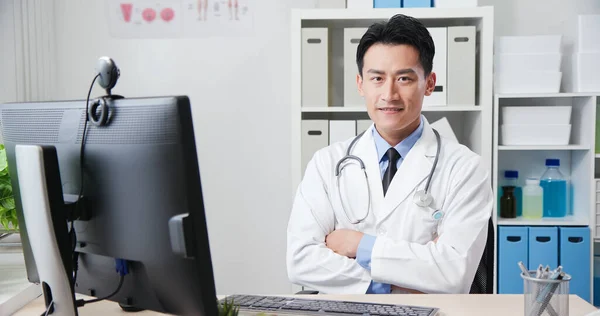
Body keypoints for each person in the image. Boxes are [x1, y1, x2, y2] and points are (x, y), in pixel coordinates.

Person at [286, 13, 493, 294]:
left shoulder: (466, 168)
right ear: (360, 84)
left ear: (429, 83)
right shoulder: (327, 163)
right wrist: (389, 286)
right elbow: (300, 261)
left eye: (404, 79)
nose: (389, 94)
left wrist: (357, 244)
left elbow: (453, 272)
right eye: (377, 78)